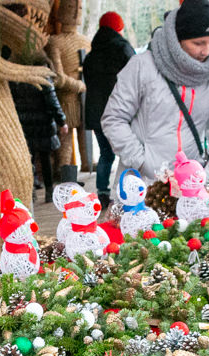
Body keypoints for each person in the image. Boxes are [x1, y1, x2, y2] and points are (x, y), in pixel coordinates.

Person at [102, 0, 209, 190]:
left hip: (192, 182)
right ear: (177, 40)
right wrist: (143, 162)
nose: (206, 51)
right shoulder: (142, 66)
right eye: (198, 43)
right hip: (145, 183)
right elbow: (113, 119)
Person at [83, 11, 135, 209]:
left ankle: (103, 194)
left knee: (106, 153)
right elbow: (136, 77)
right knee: (127, 152)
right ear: (119, 28)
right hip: (120, 111)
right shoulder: (123, 49)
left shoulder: (90, 56)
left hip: (97, 112)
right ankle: (127, 192)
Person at [10, 62, 69, 203]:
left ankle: (31, 193)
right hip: (43, 123)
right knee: (45, 158)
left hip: (23, 124)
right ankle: (49, 191)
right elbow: (52, 101)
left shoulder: (17, 74)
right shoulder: (43, 75)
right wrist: (62, 121)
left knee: (28, 160)